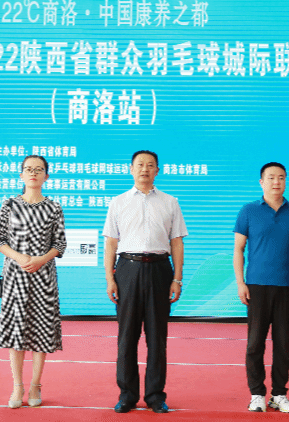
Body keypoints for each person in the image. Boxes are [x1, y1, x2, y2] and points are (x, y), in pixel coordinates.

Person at [103, 150, 188, 414]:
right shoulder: (118, 202)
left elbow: (176, 242)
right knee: (127, 337)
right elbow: (111, 243)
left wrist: (177, 278)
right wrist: (110, 278)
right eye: (140, 165)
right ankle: (127, 395)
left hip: (160, 270)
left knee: (157, 337)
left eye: (150, 165)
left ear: (157, 171)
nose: (144, 169)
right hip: (127, 270)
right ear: (131, 169)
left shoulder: (170, 202)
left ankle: (155, 396)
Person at [233, 162, 289, 413]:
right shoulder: (248, 211)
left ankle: (279, 394)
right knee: (255, 343)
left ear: (286, 181)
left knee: (283, 345)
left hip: (287, 286)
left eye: (281, 177)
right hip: (256, 286)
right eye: (271, 177)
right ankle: (257, 394)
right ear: (261, 182)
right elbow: (238, 249)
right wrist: (240, 282)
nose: (276, 182)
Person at [0, 155, 67, 409]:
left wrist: (41, 259)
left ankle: (35, 384)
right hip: (16, 275)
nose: (33, 173)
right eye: (28, 169)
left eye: (39, 169)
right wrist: (20, 257)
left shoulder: (54, 207)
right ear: (21, 175)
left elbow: (60, 243)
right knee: (16, 330)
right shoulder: (9, 204)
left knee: (41, 329)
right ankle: (17, 385)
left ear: (47, 176)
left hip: (44, 276)